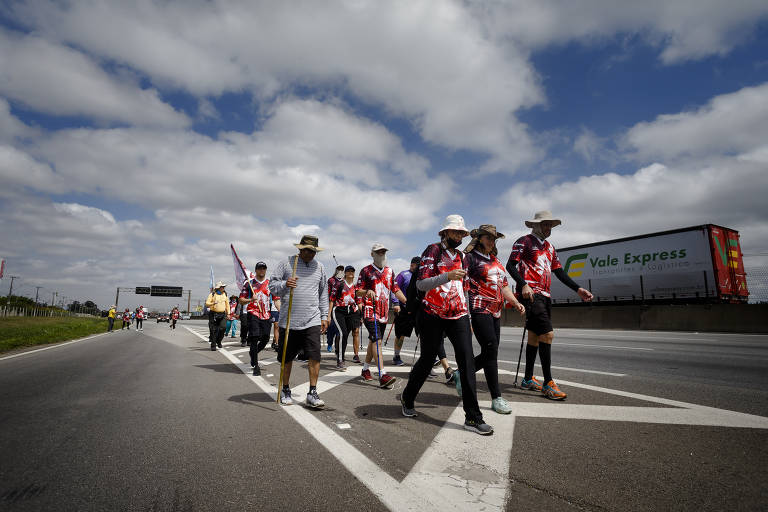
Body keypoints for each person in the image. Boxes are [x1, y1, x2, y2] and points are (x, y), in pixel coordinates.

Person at [400, 214, 493, 435]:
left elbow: (466, 289)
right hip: (432, 314)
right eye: (455, 232)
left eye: (462, 233)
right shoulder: (432, 250)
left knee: (467, 362)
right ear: (445, 232)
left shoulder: (463, 256)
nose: (459, 236)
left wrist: (468, 316)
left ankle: (473, 417)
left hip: (458, 314)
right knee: (426, 360)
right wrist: (447, 276)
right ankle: (408, 397)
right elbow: (421, 284)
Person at [505, 210, 593, 400]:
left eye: (550, 225)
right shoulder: (524, 241)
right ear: (536, 225)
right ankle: (548, 383)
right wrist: (523, 284)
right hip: (531, 295)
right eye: (545, 224)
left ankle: (528, 379)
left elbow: (559, 272)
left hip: (545, 296)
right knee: (548, 334)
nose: (548, 228)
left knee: (535, 337)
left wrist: (578, 289)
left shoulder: (550, 247)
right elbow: (510, 265)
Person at [464, 224, 526, 414]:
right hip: (479, 308)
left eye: (494, 239)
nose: (492, 241)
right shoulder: (469, 258)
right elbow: (462, 286)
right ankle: (496, 397)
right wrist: (465, 314)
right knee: (490, 349)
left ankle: (461, 373)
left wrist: (515, 302)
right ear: (480, 238)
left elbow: (504, 285)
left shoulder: (496, 261)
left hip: (496, 310)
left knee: (491, 351)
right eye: (489, 238)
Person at [269, 235, 329, 408]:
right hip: (289, 320)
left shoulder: (320, 267)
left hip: (312, 319)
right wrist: (285, 284)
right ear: (300, 249)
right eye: (307, 250)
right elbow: (272, 286)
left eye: (313, 251)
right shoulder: (286, 263)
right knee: (287, 358)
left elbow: (323, 293)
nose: (310, 254)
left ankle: (312, 392)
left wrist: (324, 315)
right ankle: (286, 389)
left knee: (315, 356)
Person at [356, 243, 407, 388]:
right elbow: (357, 290)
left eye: (383, 252)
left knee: (374, 341)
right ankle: (383, 374)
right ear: (372, 254)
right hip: (370, 310)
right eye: (378, 252)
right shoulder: (366, 270)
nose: (381, 254)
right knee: (377, 341)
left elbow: (395, 289)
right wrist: (366, 292)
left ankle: (365, 370)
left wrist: (407, 303)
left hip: (384, 312)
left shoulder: (390, 271)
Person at [240, 262, 277, 376]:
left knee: (265, 338)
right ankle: (256, 365)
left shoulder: (270, 284)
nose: (262, 270)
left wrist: (282, 311)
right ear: (256, 270)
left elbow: (276, 299)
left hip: (266, 315)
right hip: (253, 313)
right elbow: (241, 300)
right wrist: (251, 299)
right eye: (259, 268)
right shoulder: (249, 284)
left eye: (264, 268)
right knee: (255, 337)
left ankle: (253, 352)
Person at [329, 265, 362, 371]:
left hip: (351, 312)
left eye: (353, 271)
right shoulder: (339, 284)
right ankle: (340, 360)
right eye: (349, 271)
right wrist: (328, 315)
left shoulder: (356, 287)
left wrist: (361, 314)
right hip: (339, 311)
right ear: (345, 273)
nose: (351, 273)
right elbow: (332, 299)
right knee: (343, 333)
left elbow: (358, 301)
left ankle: (339, 351)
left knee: (345, 335)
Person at [391, 257, 421, 365]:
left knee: (423, 334)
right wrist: (395, 303)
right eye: (417, 265)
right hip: (403, 308)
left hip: (417, 309)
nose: (419, 267)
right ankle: (396, 355)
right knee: (401, 334)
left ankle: (428, 356)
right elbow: (394, 289)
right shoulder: (403, 275)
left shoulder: (422, 276)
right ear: (412, 265)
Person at [205, 281, 230, 351]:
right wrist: (213, 303)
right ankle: (213, 345)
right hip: (213, 314)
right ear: (218, 288)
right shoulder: (212, 294)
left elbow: (227, 304)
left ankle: (219, 341)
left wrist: (228, 313)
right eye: (222, 287)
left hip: (222, 314)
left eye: (224, 287)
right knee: (213, 330)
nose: (224, 288)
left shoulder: (225, 294)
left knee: (223, 328)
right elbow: (207, 303)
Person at [326, 265, 344, 352]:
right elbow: (327, 293)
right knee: (331, 326)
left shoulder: (344, 281)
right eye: (339, 269)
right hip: (331, 304)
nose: (340, 271)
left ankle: (337, 347)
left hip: (341, 306)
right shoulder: (331, 280)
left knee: (339, 328)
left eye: (342, 270)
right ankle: (329, 342)